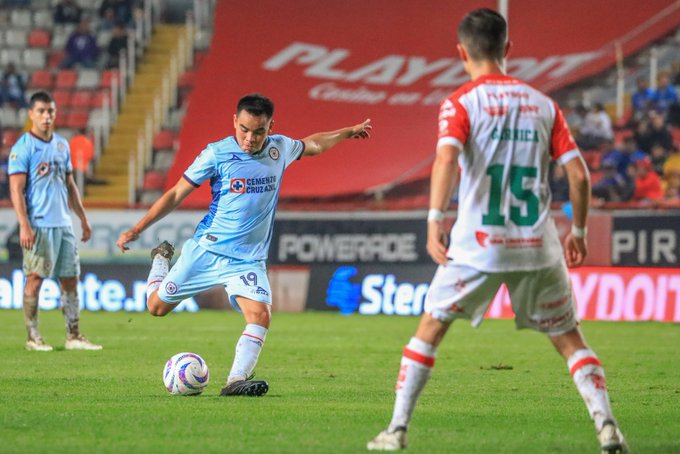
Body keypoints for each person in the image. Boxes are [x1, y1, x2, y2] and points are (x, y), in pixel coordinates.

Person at [367, 9, 627, 453]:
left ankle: (396, 431)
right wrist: (578, 231)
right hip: (538, 247)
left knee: (431, 327)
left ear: (461, 53)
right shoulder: (544, 105)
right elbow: (580, 176)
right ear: (508, 49)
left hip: (477, 245)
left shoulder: (461, 103)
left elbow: (446, 159)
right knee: (568, 339)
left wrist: (435, 220)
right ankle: (608, 427)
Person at [116, 93, 371, 396]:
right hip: (207, 251)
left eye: (259, 131)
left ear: (270, 127)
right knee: (155, 308)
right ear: (235, 122)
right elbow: (175, 193)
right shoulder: (216, 154)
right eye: (245, 130)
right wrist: (138, 228)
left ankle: (236, 381)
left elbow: (314, 144)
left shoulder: (280, 149)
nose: (250, 138)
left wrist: (346, 132)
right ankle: (161, 260)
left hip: (247, 260)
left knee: (261, 315)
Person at [8, 91, 102, 352]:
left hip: (63, 224)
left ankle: (73, 335)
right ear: (31, 114)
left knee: (70, 279)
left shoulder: (62, 144)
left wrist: (82, 218)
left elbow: (70, 185)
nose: (46, 116)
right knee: (35, 278)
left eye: (50, 111)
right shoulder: (23, 148)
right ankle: (33, 336)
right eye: (41, 111)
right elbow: (16, 190)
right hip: (39, 224)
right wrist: (24, 225)